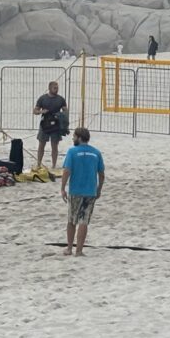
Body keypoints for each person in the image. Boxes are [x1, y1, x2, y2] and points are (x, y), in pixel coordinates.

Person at [59, 127, 106, 256]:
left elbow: (67, 171)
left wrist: (63, 188)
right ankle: (79, 251)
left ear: (79, 138)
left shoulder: (72, 152)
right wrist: (99, 189)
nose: (73, 139)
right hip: (90, 191)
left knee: (72, 220)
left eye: (74, 136)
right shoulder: (96, 153)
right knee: (83, 221)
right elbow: (101, 174)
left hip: (76, 191)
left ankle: (69, 248)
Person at [34, 80, 68, 172]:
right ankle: (38, 163)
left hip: (56, 124)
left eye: (57, 88)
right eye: (55, 88)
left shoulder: (61, 99)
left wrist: (61, 114)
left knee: (54, 145)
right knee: (41, 144)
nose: (56, 89)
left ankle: (53, 165)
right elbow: (35, 111)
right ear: (49, 88)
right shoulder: (42, 98)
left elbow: (65, 110)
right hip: (44, 123)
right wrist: (41, 111)